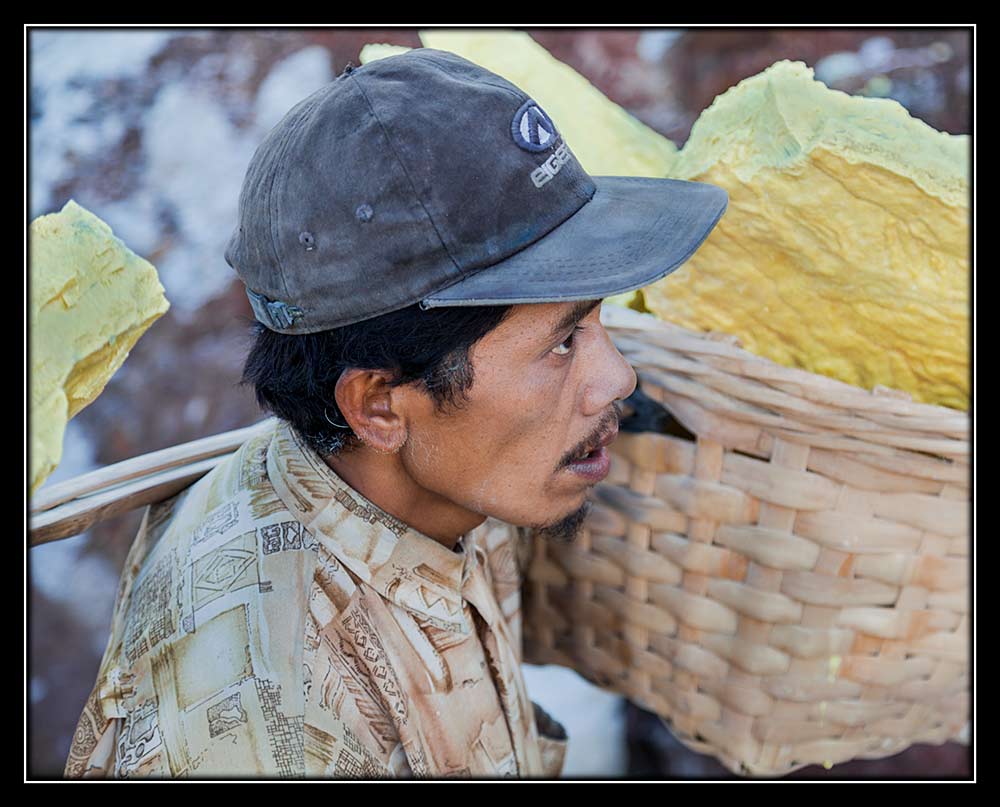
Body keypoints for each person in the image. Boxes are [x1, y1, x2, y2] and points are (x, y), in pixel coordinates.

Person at [63, 47, 728, 779]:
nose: (619, 377)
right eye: (564, 342)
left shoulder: (433, 478)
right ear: (378, 404)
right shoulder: (264, 721)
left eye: (596, 322)